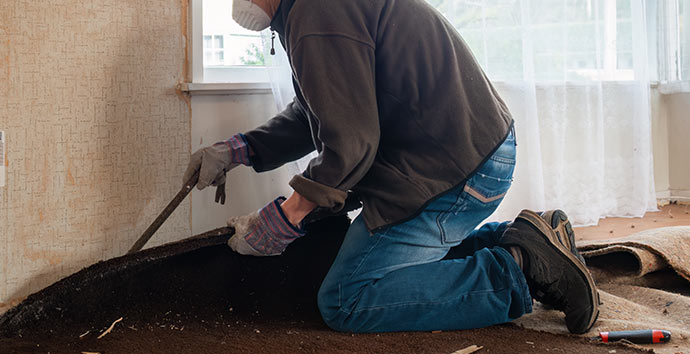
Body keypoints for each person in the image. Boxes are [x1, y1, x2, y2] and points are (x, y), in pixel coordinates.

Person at [183, 0, 599, 334]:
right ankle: (525, 239)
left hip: (451, 173)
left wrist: (287, 216)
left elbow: (350, 139)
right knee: (371, 270)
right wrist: (240, 149)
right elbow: (324, 110)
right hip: (467, 155)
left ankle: (521, 269)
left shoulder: (316, 13)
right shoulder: (311, 12)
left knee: (348, 299)